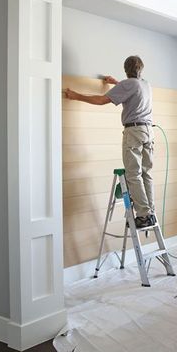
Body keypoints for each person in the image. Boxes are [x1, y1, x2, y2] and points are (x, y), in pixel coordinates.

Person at [64, 55, 156, 229]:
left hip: (134, 132)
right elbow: (130, 89)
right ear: (141, 69)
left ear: (125, 69)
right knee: (146, 173)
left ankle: (143, 215)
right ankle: (150, 212)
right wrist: (116, 83)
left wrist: (75, 95)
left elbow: (101, 100)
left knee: (133, 174)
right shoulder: (145, 84)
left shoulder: (128, 85)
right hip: (149, 131)